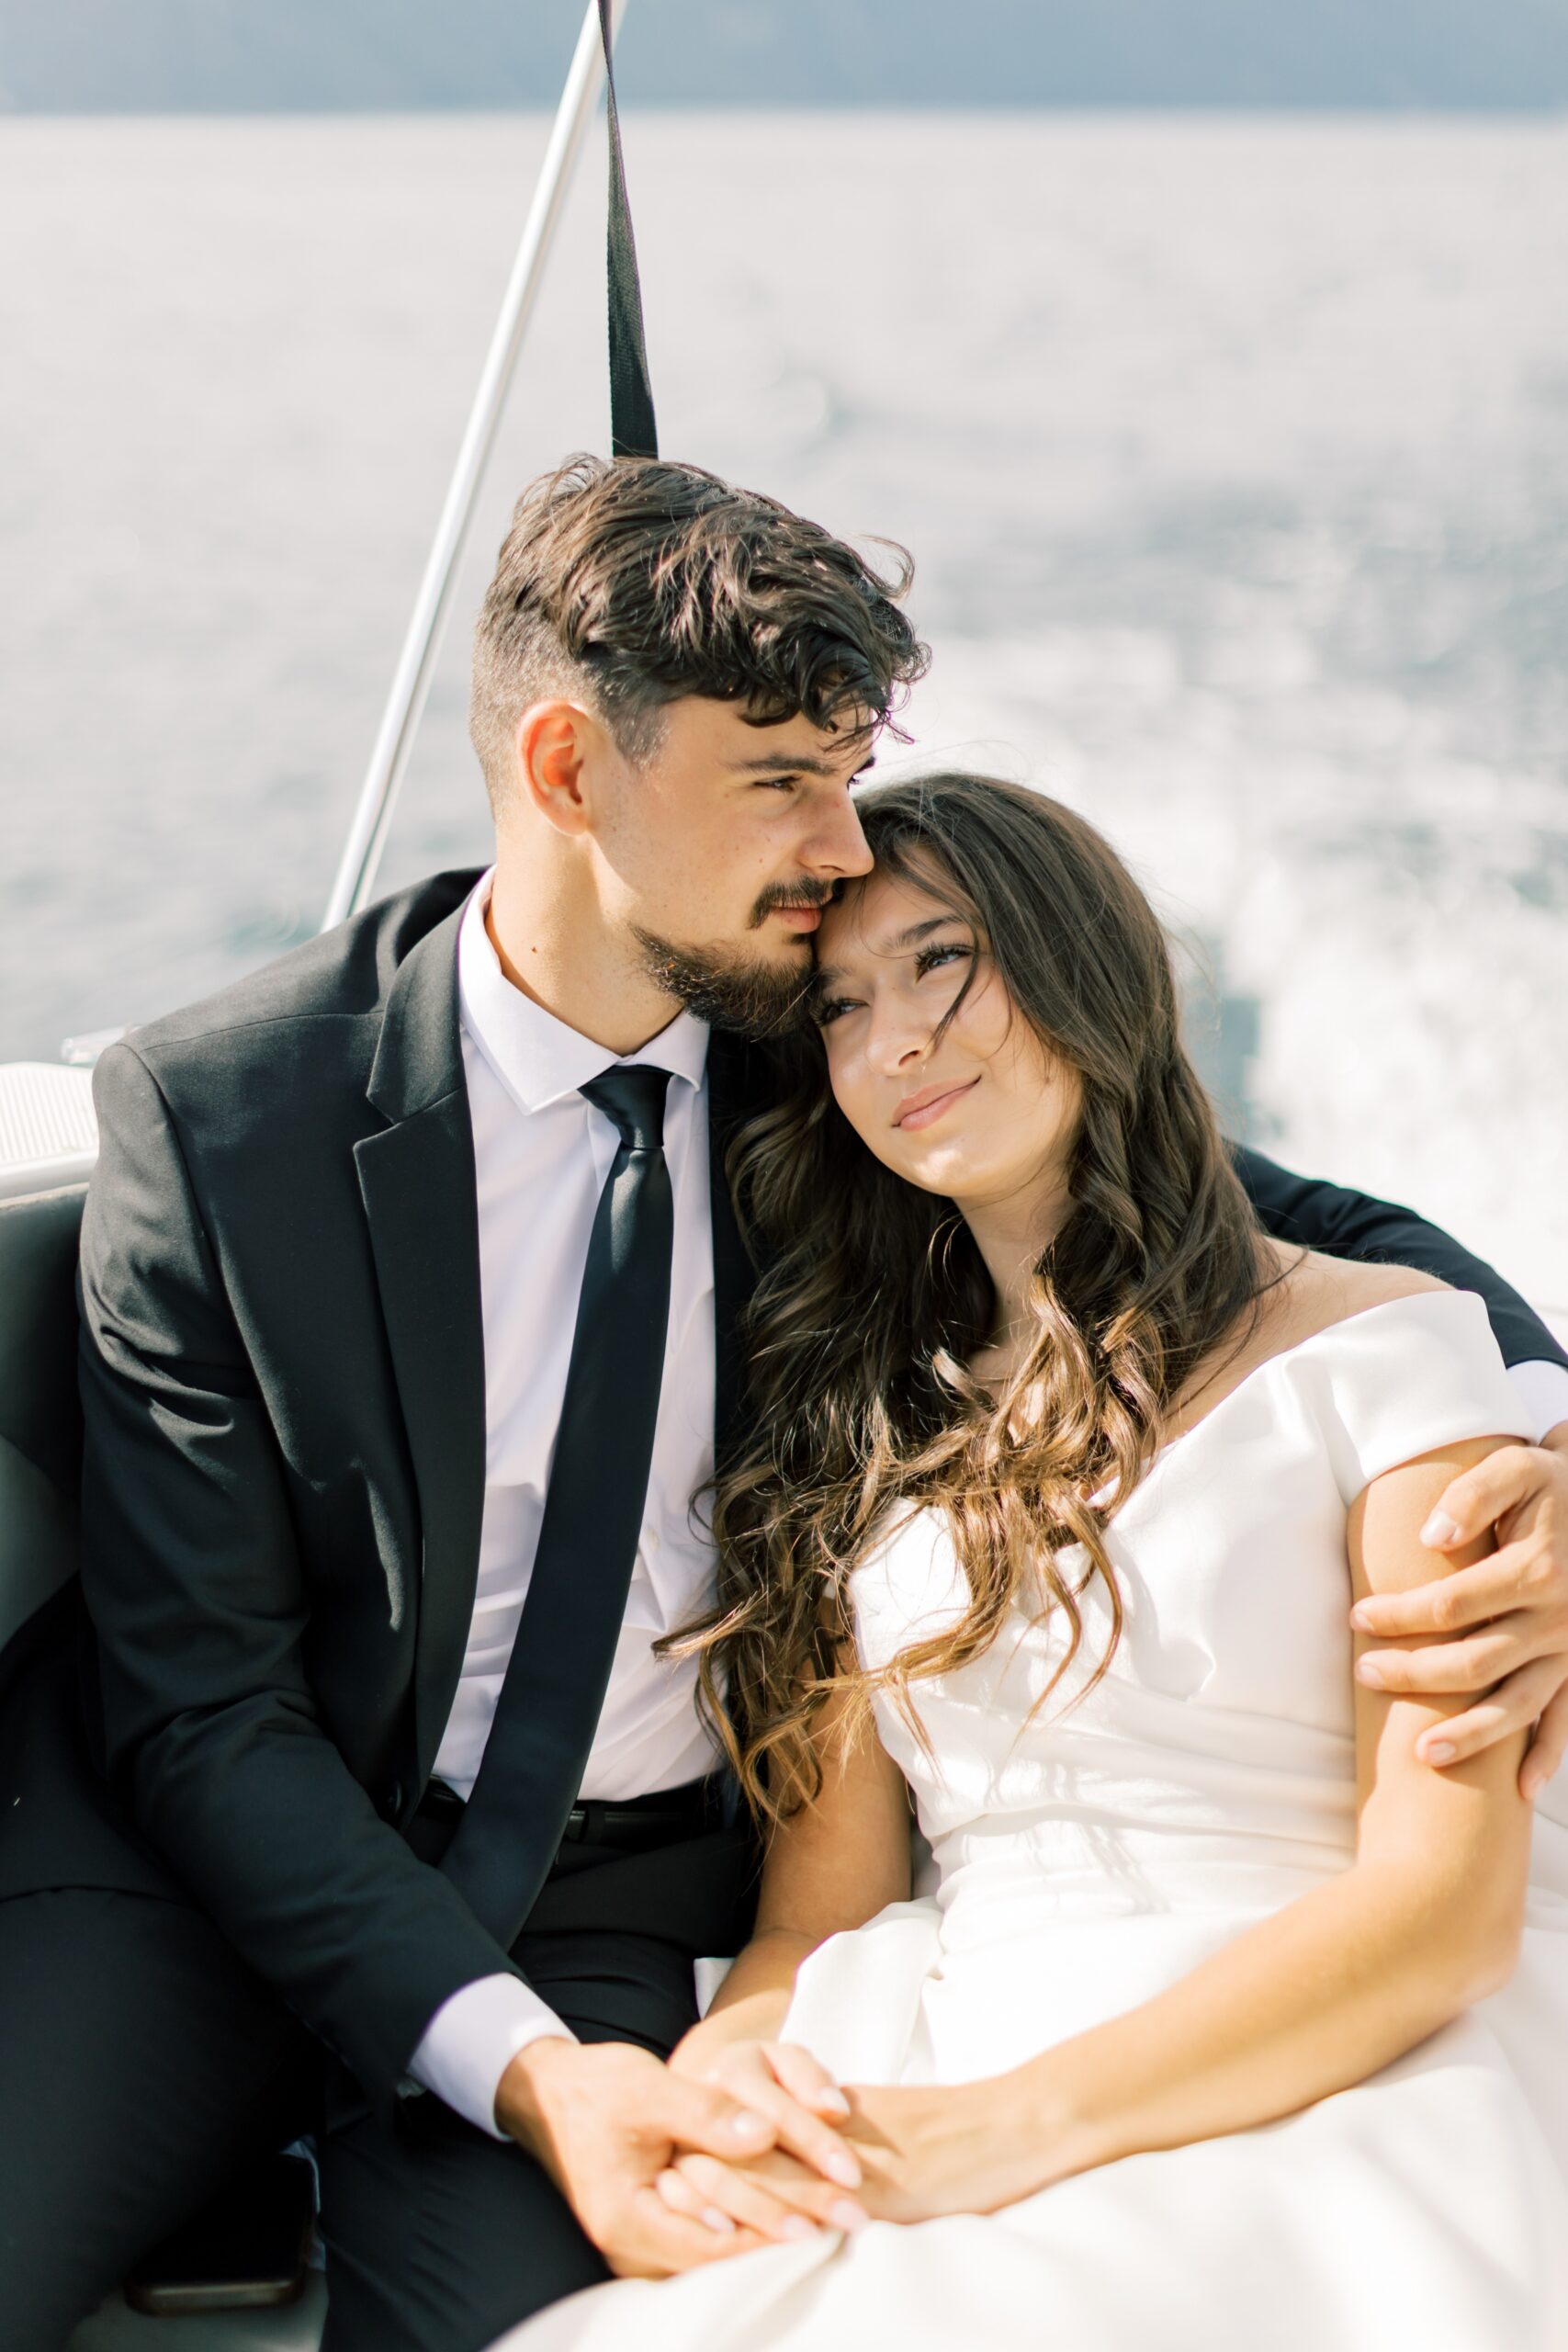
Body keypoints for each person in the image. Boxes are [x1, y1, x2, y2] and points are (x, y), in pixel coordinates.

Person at [0, 467, 1565, 2352]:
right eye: (779, 782)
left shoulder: (822, 1049)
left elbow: (1270, 1223)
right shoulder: (227, 1116)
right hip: (213, 1865)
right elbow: (205, 1708)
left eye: (847, 771)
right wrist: (533, 2071)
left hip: (621, 1889)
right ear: (570, 769)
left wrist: (1534, 1440)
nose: (838, 849)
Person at [497, 771, 1568, 2352]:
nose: (899, 1041)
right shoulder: (857, 1434)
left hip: (1329, 2049)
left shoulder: (1392, 1350)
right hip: (936, 2042)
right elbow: (814, 1918)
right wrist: (727, 2097)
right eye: (846, 1008)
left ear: (1088, 963)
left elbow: (1442, 1906)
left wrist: (1004, 2132)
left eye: (945, 961)